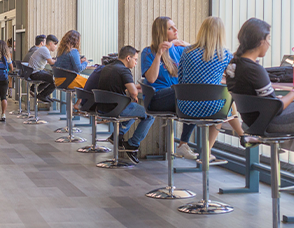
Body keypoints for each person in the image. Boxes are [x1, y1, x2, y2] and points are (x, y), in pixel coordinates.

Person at [226, 18, 294, 134]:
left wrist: (275, 99)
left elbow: (263, 101)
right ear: (260, 41)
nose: (269, 44)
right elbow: (275, 108)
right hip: (271, 124)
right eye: (268, 39)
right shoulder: (254, 70)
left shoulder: (234, 65)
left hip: (253, 122)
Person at [178, 16, 244, 164]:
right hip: (212, 108)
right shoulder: (225, 55)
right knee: (221, 109)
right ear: (221, 33)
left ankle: (241, 135)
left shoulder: (187, 51)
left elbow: (180, 78)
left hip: (185, 106)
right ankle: (207, 151)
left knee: (219, 104)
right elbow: (234, 79)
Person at [141, 16, 197, 159]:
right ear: (161, 31)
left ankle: (183, 144)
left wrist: (185, 43)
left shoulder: (178, 50)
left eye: (175, 26)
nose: (176, 30)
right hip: (156, 98)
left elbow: (201, 53)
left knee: (196, 97)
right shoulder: (148, 52)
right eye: (171, 28)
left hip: (175, 95)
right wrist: (159, 54)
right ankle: (183, 144)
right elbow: (151, 79)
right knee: (186, 91)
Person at [98, 46, 155, 164]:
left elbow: (122, 88)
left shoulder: (108, 67)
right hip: (117, 108)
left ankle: (117, 135)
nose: (136, 63)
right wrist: (136, 94)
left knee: (134, 109)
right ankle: (132, 145)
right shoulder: (124, 70)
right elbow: (133, 92)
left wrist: (134, 89)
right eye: (135, 59)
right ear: (128, 58)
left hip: (103, 108)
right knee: (149, 114)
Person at [29, 34, 58, 102]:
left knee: (50, 75)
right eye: (55, 44)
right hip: (35, 73)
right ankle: (42, 95)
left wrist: (56, 61)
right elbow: (51, 62)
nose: (56, 47)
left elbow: (51, 60)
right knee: (55, 80)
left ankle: (35, 89)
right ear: (50, 43)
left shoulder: (43, 49)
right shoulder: (45, 50)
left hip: (33, 72)